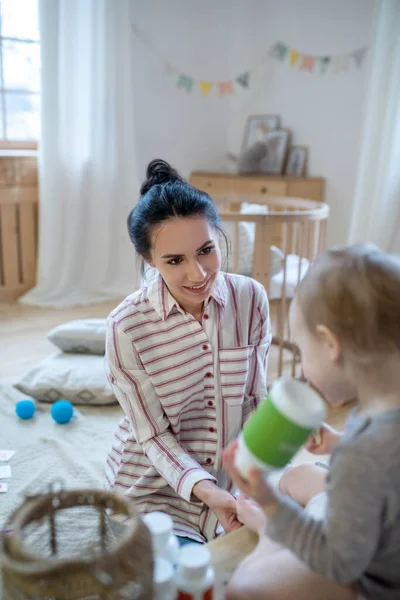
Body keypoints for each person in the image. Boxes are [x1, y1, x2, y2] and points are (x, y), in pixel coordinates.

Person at [104, 159, 271, 544]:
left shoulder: (251, 298)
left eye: (206, 250)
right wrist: (208, 492)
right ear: (149, 260)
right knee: (174, 580)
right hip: (152, 488)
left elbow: (257, 399)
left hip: (232, 482)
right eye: (175, 261)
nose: (197, 273)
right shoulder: (126, 327)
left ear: (218, 237)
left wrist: (260, 475)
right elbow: (152, 435)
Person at [224, 244, 400, 600]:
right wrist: (338, 442)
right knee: (299, 476)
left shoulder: (363, 455)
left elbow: (336, 562)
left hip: (369, 577)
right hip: (378, 529)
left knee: (242, 586)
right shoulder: (383, 404)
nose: (303, 362)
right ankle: (277, 531)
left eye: (303, 350)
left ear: (330, 344)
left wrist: (268, 500)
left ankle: (270, 532)